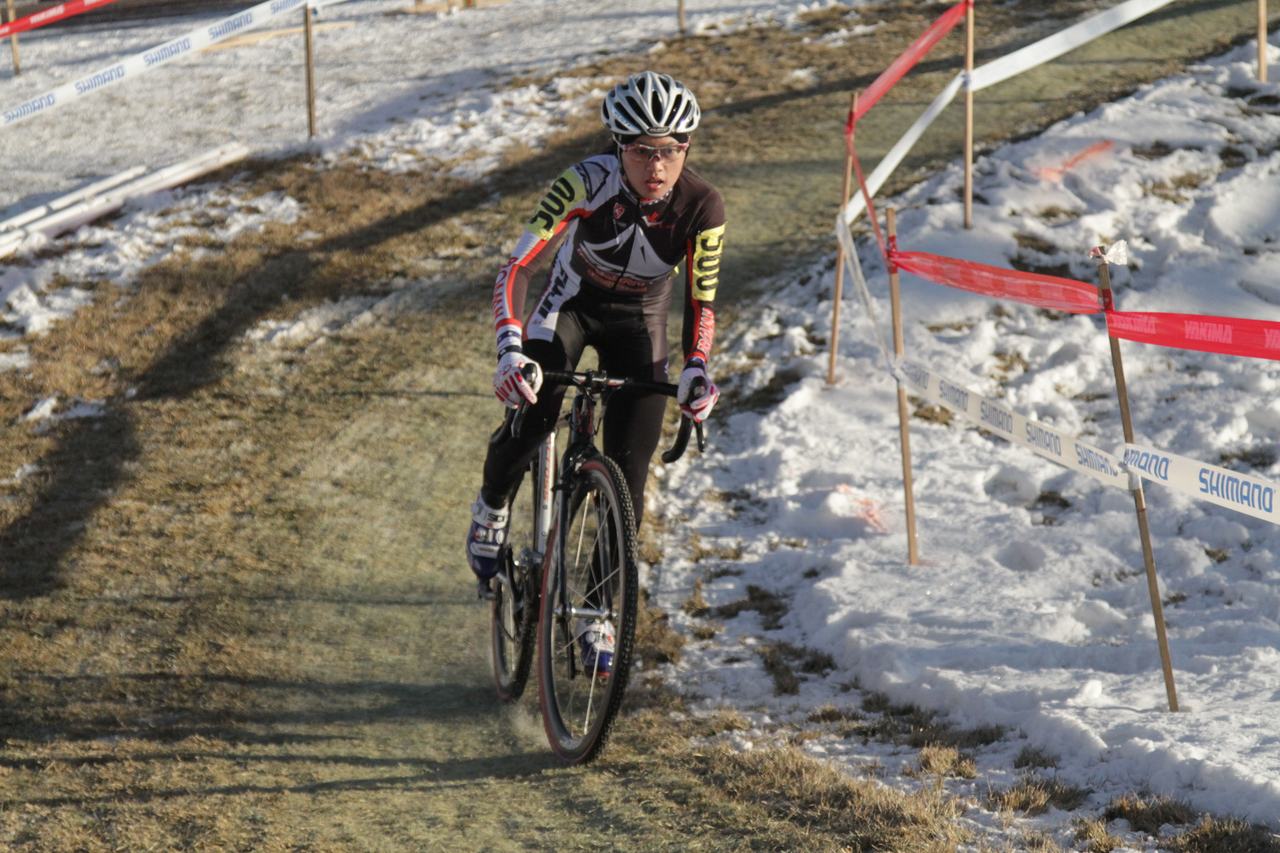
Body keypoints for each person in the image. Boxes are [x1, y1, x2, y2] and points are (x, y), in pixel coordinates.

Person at [466, 70, 724, 675]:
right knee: (535, 413)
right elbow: (518, 268)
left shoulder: (703, 206)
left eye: (670, 150)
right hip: (569, 309)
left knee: (628, 490)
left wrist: (697, 371)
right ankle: (493, 502)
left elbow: (703, 302)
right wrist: (510, 349)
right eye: (640, 150)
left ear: (685, 148)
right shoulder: (584, 181)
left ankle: (596, 613)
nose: (656, 165)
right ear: (618, 146)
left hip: (641, 323)